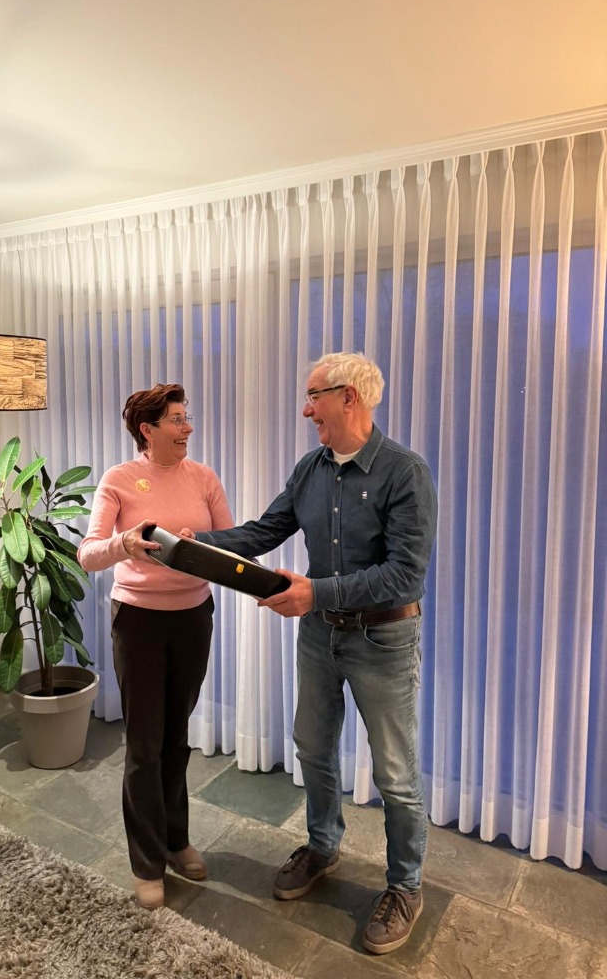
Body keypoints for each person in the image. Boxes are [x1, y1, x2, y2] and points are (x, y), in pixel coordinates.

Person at [187, 352, 437, 955]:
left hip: (384, 640)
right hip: (320, 636)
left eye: (313, 396)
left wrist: (314, 592)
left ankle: (405, 886)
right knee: (313, 749)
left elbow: (404, 576)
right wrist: (193, 543)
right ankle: (323, 847)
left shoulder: (405, 472)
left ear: (349, 397)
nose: (306, 410)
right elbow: (262, 532)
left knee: (395, 773)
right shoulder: (310, 469)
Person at [77, 383, 234, 910]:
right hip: (138, 622)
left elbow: (231, 544)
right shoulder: (119, 480)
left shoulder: (204, 477)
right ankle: (146, 862)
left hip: (194, 618)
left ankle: (175, 839)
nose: (187, 427)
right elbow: (88, 554)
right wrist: (126, 544)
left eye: (187, 417)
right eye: (177, 419)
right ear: (148, 430)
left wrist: (199, 546)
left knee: (176, 737)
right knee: (144, 744)